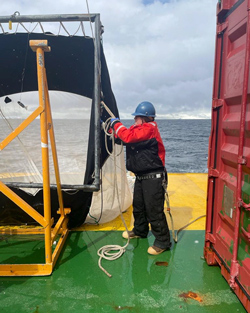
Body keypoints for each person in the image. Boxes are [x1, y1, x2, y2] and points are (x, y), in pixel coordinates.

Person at [110, 101, 171, 255]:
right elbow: (125, 138)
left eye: (137, 117)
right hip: (141, 176)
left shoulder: (150, 129)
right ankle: (140, 230)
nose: (135, 120)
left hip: (154, 178)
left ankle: (163, 242)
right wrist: (112, 131)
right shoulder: (139, 130)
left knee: (154, 210)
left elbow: (129, 137)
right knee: (139, 206)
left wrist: (116, 124)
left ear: (145, 118)